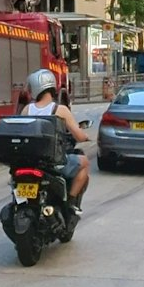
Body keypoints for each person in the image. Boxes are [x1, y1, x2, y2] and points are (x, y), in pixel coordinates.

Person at [24, 69, 90, 211]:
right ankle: (70, 202)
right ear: (52, 86)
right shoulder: (60, 109)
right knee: (84, 163)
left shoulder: (27, 109)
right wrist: (86, 137)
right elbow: (78, 135)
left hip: (30, 160)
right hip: (52, 162)